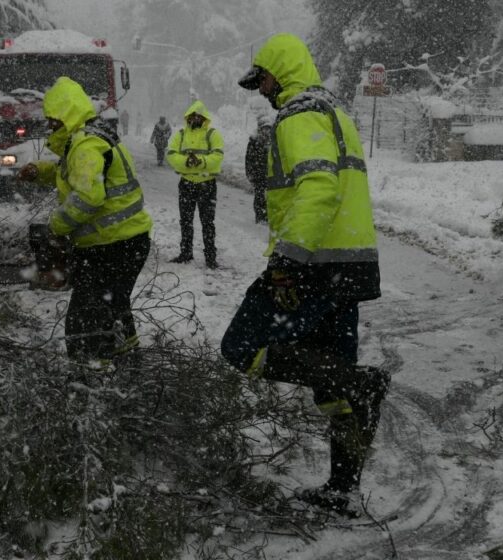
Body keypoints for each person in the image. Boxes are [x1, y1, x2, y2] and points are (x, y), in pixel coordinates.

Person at [222, 33, 390, 517]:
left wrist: (286, 262)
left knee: (240, 347)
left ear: (282, 73)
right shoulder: (337, 114)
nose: (261, 90)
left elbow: (319, 187)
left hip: (314, 265)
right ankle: (342, 490)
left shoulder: (299, 116)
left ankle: (361, 383)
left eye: (263, 80)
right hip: (350, 263)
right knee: (333, 387)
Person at [17, 77, 153, 365]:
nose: (49, 127)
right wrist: (39, 171)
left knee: (85, 320)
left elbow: (89, 197)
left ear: (67, 116)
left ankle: (91, 374)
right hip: (128, 241)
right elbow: (73, 172)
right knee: (113, 307)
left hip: (113, 246)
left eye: (53, 120)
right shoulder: (91, 138)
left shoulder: (85, 145)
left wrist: (56, 227)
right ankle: (127, 364)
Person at [166, 101, 224, 268]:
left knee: (207, 223)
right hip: (186, 184)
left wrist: (200, 162)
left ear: (204, 118)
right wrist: (187, 162)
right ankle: (186, 253)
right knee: (185, 221)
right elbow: (171, 155)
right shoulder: (181, 134)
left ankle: (210, 257)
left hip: (207, 184)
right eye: (193, 115)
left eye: (199, 116)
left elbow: (218, 156)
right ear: (188, 117)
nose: (196, 118)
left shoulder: (212, 134)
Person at [245, 115, 273, 223]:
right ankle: (260, 215)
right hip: (258, 173)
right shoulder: (254, 142)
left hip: (271, 173)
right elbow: (248, 159)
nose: (266, 131)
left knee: (271, 196)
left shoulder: (273, 142)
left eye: (268, 128)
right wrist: (250, 173)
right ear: (260, 129)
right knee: (259, 195)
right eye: (264, 128)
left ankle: (269, 215)